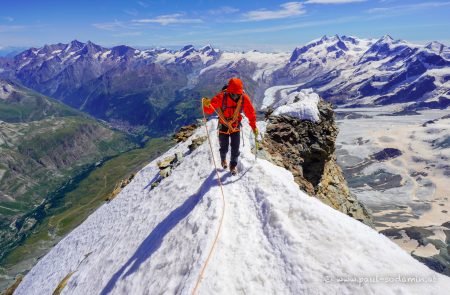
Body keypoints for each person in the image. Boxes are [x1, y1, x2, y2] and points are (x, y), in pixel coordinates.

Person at [202, 77, 258, 175]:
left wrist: (254, 127)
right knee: (224, 147)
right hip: (223, 125)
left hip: (235, 125)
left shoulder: (243, 98)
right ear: (229, 91)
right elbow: (208, 110)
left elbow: (251, 113)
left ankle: (233, 165)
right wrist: (206, 105)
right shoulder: (221, 97)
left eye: (238, 94)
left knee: (235, 148)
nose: (236, 96)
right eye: (234, 94)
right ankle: (223, 160)